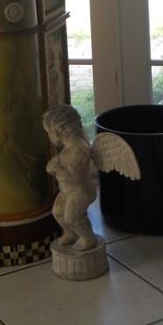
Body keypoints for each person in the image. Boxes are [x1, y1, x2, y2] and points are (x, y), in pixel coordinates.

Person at [42, 104, 98, 251]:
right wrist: (53, 165)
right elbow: (61, 162)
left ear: (58, 131)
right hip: (67, 191)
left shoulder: (80, 149)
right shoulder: (67, 149)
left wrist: (56, 170)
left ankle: (87, 237)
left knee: (72, 217)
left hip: (81, 191)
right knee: (58, 212)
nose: (49, 136)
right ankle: (71, 234)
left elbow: (74, 177)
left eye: (49, 132)